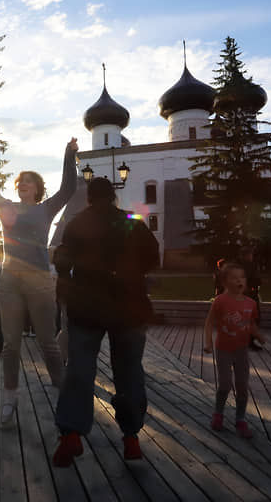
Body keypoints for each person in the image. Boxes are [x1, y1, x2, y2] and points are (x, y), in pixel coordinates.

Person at [0, 138, 77, 425]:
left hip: (38, 280)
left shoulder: (46, 209)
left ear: (37, 188)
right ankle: (9, 399)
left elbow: (69, 189)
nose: (22, 184)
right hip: (9, 279)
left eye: (28, 182)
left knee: (47, 342)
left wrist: (68, 153)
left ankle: (62, 391)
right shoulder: (5, 207)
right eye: (20, 181)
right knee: (11, 346)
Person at [51, 178, 159, 466]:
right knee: (129, 371)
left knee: (80, 369)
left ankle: (71, 434)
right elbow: (152, 257)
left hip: (87, 304)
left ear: (89, 198)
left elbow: (62, 257)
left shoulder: (78, 223)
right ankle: (131, 437)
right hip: (128, 306)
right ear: (113, 197)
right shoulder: (131, 221)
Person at [203, 262, 266, 438]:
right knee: (224, 384)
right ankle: (218, 413)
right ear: (225, 282)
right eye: (235, 278)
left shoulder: (251, 303)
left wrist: (258, 336)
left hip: (241, 350)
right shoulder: (220, 301)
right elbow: (209, 322)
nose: (240, 281)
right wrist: (208, 342)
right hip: (223, 349)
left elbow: (250, 323)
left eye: (242, 277)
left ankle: (240, 419)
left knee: (242, 386)